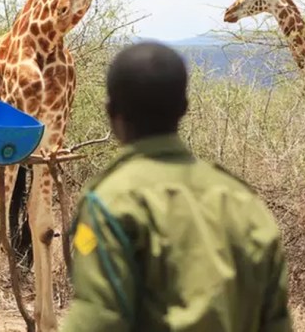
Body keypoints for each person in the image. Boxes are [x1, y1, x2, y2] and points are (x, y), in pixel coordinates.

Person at [61, 41, 292, 331]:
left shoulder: (110, 202)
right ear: (183, 108)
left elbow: (97, 320)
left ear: (111, 111)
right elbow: (276, 322)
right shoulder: (244, 202)